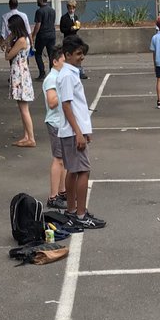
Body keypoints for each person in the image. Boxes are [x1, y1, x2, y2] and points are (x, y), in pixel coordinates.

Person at [56, 35, 105, 230]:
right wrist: (78, 132)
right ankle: (81, 214)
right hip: (71, 131)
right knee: (83, 170)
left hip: (73, 130)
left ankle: (72, 210)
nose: (81, 57)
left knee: (74, 170)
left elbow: (77, 106)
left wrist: (85, 130)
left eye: (82, 54)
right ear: (66, 55)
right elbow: (67, 105)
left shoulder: (70, 73)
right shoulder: (67, 75)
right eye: (77, 54)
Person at [41, 49, 68, 210]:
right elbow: (52, 102)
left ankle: (62, 190)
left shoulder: (59, 77)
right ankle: (53, 197)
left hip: (62, 122)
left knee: (63, 159)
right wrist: (65, 91)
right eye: (63, 61)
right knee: (58, 159)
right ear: (55, 62)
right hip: (55, 123)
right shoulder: (51, 79)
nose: (65, 64)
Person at [5, 14, 36, 147]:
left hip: (20, 73)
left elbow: (8, 56)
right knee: (22, 107)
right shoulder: (24, 39)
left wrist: (8, 44)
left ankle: (31, 138)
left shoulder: (21, 40)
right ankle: (26, 135)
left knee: (24, 109)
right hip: (21, 71)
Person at [58, 0, 88, 79]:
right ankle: (68, 71)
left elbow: (77, 27)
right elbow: (62, 29)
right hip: (68, 38)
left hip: (75, 38)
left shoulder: (76, 17)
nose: (71, 10)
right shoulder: (64, 18)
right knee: (68, 56)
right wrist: (69, 29)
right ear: (67, 8)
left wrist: (76, 28)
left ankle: (80, 71)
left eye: (73, 8)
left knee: (77, 54)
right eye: (70, 8)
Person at [31, 0, 57, 80]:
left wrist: (33, 35)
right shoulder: (52, 10)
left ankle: (42, 73)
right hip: (52, 34)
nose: (37, 1)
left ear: (42, 0)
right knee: (51, 54)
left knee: (38, 54)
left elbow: (38, 25)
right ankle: (52, 73)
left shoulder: (39, 11)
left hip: (42, 35)